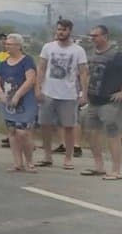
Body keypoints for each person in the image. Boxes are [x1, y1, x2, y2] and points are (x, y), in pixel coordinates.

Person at [83, 24, 122, 180]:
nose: (93, 39)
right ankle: (99, 166)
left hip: (109, 102)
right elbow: (87, 73)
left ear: (105, 36)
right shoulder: (92, 54)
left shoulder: (116, 55)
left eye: (95, 36)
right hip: (93, 101)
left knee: (113, 135)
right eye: (91, 36)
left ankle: (116, 171)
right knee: (91, 133)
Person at [36, 19, 89, 170]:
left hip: (68, 94)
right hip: (48, 92)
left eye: (64, 30)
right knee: (45, 125)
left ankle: (68, 157)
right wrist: (38, 88)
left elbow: (84, 73)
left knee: (69, 126)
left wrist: (83, 93)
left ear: (70, 31)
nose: (60, 32)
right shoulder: (48, 47)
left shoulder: (78, 50)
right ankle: (47, 156)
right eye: (59, 29)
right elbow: (41, 68)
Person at [0, 33, 38, 173]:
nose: (7, 46)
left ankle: (29, 161)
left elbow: (30, 79)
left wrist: (18, 94)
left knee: (23, 132)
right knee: (11, 131)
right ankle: (18, 163)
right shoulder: (2, 63)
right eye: (6, 44)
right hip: (8, 102)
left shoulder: (27, 61)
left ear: (18, 46)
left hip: (25, 101)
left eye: (10, 44)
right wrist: (0, 93)